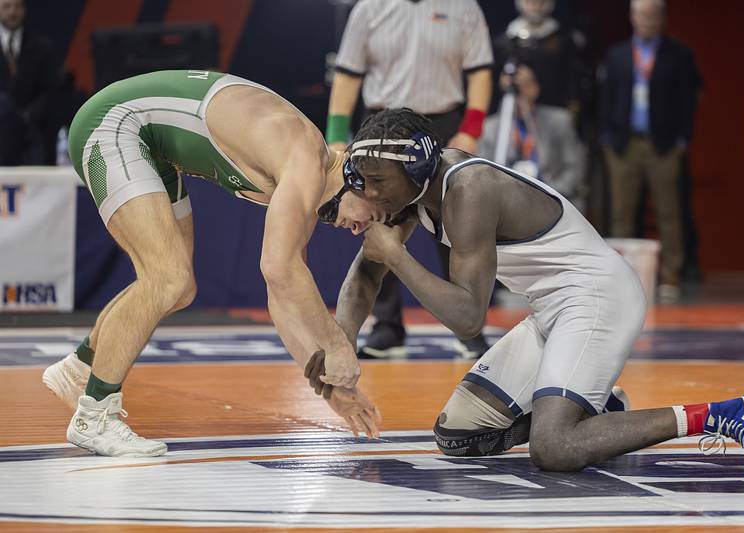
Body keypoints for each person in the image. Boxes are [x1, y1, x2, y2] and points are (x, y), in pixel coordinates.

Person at [326, 107, 744, 472]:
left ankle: (726, 413)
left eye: (379, 181)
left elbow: (467, 319)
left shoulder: (469, 190)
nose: (371, 194)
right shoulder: (411, 190)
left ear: (417, 167)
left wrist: (398, 256)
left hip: (597, 297)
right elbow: (365, 275)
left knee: (554, 447)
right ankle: (596, 410)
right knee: (459, 434)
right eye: (365, 180)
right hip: (551, 310)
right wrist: (340, 348)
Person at [41, 70, 382, 457]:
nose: (359, 229)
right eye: (373, 215)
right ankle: (94, 417)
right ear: (362, 181)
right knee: (166, 278)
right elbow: (279, 270)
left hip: (148, 142)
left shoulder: (307, 179)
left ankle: (79, 369)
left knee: (180, 288)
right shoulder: (304, 158)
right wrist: (337, 346)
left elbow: (282, 297)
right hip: (114, 123)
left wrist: (328, 388)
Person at [326, 0, 493, 358]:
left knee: (457, 223)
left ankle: (468, 327)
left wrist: (472, 129)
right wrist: (337, 136)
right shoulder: (369, 8)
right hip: (381, 129)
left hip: (440, 123)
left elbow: (479, 71)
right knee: (375, 220)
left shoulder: (463, 7)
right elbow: (348, 73)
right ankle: (387, 326)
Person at [598, 0, 698, 302]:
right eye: (643, 15)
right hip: (623, 145)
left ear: (662, 18)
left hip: (663, 145)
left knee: (670, 213)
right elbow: (604, 99)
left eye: (654, 15)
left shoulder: (678, 54)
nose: (648, 21)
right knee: (621, 214)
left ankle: (670, 276)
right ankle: (622, 277)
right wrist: (607, 140)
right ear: (632, 16)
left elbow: (688, 99)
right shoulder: (616, 55)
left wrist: (682, 140)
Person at [480, 64, 587, 211]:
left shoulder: (559, 121)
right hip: (508, 205)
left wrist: (551, 195)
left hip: (553, 200)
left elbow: (575, 167)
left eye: (523, 85)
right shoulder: (490, 128)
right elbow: (483, 174)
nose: (518, 93)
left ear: (535, 88)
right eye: (512, 89)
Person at [0, 0, 57, 165]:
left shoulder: (42, 47)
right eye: (6, 6)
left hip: (32, 134)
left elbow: (50, 90)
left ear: (24, 10)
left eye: (17, 7)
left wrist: (26, 117)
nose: (12, 12)